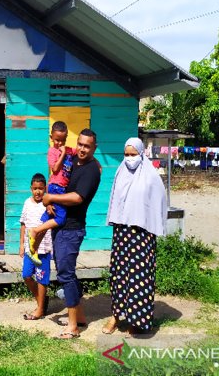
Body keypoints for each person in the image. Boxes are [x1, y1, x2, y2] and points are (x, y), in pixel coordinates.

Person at [103, 137, 167, 336]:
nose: (130, 158)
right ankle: (116, 315)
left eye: (133, 154)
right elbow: (115, 201)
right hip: (122, 233)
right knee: (119, 275)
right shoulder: (120, 172)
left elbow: (159, 203)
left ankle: (136, 320)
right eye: (127, 154)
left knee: (139, 276)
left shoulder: (151, 177)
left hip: (142, 235)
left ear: (141, 154)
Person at [43, 128, 101, 339]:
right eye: (81, 144)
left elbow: (77, 198)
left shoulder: (92, 170)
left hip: (72, 229)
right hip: (61, 225)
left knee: (65, 275)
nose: (82, 149)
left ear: (94, 148)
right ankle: (81, 316)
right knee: (65, 272)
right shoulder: (74, 157)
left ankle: (73, 327)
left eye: (87, 146)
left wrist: (51, 198)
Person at [27, 121, 74, 266]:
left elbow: (80, 153)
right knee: (60, 219)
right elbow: (55, 169)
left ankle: (33, 248)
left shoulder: (68, 149)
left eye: (63, 140)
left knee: (49, 217)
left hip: (62, 188)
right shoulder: (52, 151)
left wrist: (96, 163)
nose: (60, 143)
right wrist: (63, 153)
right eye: (57, 140)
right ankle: (34, 232)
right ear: (51, 137)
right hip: (55, 187)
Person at [19, 173, 52, 320]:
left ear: (45, 188)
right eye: (35, 188)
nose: (37, 191)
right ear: (31, 189)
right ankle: (41, 301)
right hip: (29, 248)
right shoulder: (27, 203)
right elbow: (23, 224)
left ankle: (39, 309)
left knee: (41, 278)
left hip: (44, 247)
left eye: (40, 188)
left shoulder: (48, 203)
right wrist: (21, 244)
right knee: (26, 275)